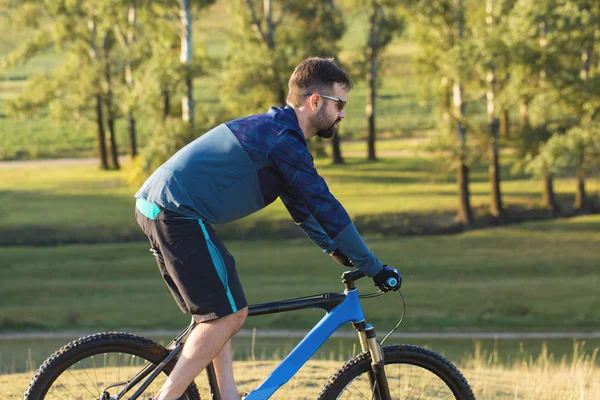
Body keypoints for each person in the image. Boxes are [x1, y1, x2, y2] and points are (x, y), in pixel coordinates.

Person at [134, 57, 402, 400]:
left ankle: (227, 395)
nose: (343, 114)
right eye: (340, 104)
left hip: (163, 208)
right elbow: (327, 207)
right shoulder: (282, 141)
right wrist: (373, 266)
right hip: (175, 213)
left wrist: (334, 249)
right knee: (230, 315)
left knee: (218, 313)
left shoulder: (279, 134)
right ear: (315, 101)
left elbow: (303, 209)